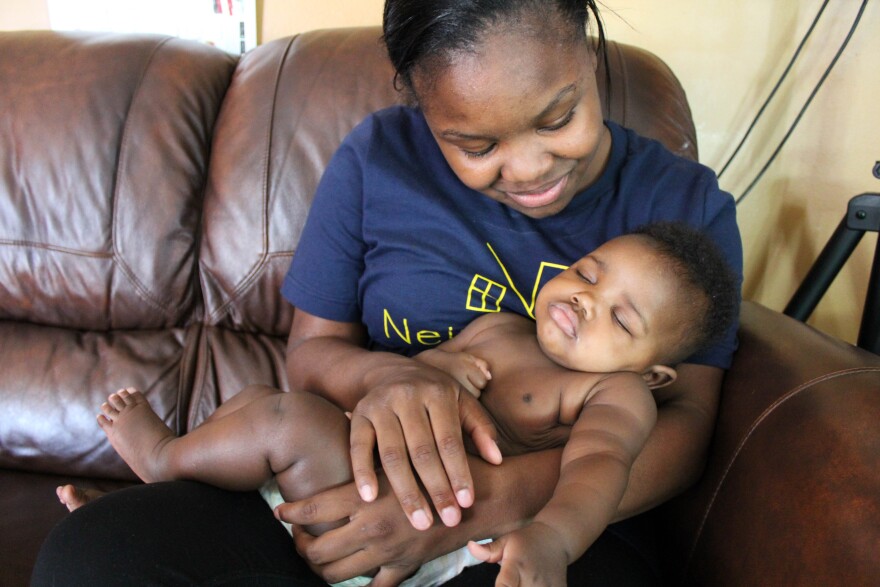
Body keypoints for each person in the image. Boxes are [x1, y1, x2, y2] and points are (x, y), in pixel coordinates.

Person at [33, 1, 743, 585]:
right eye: (475, 145)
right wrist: (391, 373)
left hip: (535, 525)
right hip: (342, 479)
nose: (529, 168)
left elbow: (684, 430)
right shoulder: (378, 158)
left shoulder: (684, 209)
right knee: (95, 558)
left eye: (557, 119)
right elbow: (311, 356)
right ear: (425, 111)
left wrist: (474, 507)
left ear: (589, 52)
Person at [85, 223, 738, 586]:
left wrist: (551, 538)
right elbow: (410, 381)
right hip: (364, 466)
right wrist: (428, 365)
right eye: (588, 272)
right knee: (259, 398)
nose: (585, 300)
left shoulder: (613, 392)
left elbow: (600, 467)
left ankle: (166, 456)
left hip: (427, 527)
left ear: (653, 372)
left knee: (284, 418)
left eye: (620, 318)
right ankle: (156, 499)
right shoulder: (500, 326)